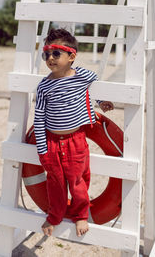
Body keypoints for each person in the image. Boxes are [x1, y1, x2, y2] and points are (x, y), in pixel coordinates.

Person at [34, 28, 114, 238]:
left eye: (56, 53)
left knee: (77, 180)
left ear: (71, 56)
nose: (50, 58)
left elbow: (92, 86)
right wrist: (42, 148)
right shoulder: (44, 86)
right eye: (46, 54)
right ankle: (55, 216)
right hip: (51, 142)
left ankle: (81, 215)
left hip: (75, 140)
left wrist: (100, 102)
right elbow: (39, 117)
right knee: (55, 182)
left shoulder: (82, 76)